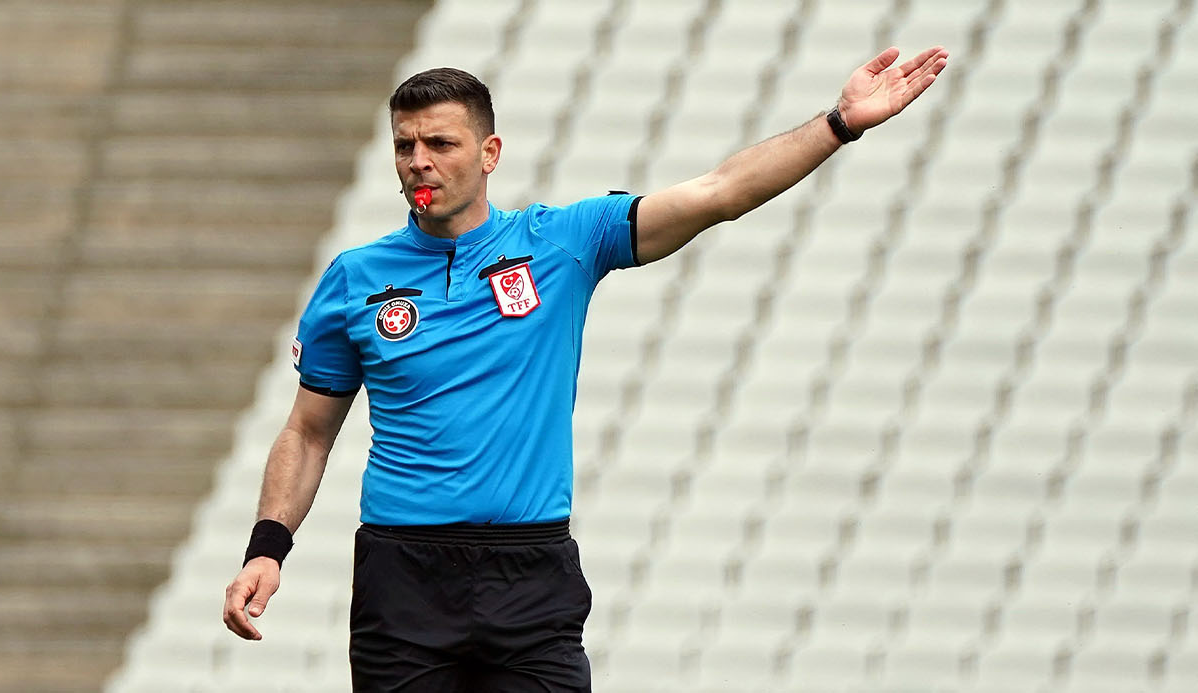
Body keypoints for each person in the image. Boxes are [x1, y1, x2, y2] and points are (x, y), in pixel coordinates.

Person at [224, 45, 948, 691]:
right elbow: (309, 432)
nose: (420, 161)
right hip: (403, 573)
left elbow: (720, 193)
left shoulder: (562, 242)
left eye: (441, 143)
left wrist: (839, 123)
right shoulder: (355, 278)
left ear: (489, 152)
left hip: (530, 569)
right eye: (405, 145)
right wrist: (267, 547)